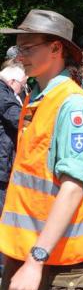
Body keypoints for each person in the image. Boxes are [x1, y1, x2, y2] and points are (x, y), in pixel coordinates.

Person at [0, 9, 83, 290]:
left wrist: (36, 260)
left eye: (27, 48)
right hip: (24, 251)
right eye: (18, 48)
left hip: (57, 259)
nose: (20, 56)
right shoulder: (38, 99)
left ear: (56, 48)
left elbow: (72, 189)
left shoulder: (72, 106)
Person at [0, 65, 26, 225]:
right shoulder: (4, 94)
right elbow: (18, 118)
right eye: (22, 86)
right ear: (12, 81)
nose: (21, 90)